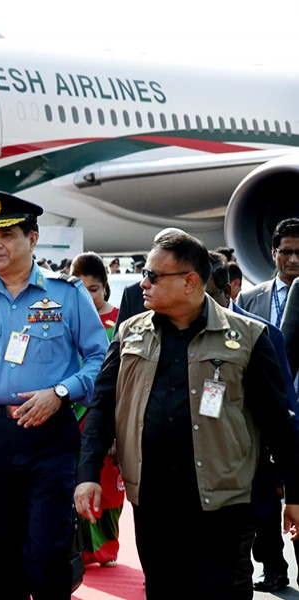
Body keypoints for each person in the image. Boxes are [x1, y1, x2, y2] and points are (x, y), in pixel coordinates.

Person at [75, 230, 299, 599]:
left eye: (153, 276)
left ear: (189, 281)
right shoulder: (130, 333)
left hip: (220, 501)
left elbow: (279, 422)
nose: (143, 284)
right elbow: (102, 406)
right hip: (152, 498)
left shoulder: (247, 337)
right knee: (163, 589)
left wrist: (294, 492)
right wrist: (87, 475)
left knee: (218, 591)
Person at [0, 191, 108, 598]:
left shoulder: (66, 293)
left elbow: (100, 359)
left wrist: (61, 392)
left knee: (47, 554)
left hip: (50, 436)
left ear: (32, 239)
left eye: (6, 235)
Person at [235, 217, 299, 592]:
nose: (294, 260)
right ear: (273, 253)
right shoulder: (250, 299)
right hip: (260, 414)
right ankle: (272, 565)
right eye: (286, 252)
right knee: (263, 493)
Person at [69, 252, 125, 568]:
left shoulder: (121, 321)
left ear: (105, 287)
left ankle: (105, 547)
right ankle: (80, 549)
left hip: (108, 413)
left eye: (94, 289)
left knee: (108, 483)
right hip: (71, 412)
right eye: (82, 290)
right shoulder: (66, 319)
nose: (88, 296)